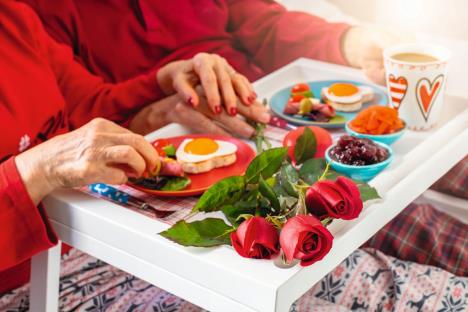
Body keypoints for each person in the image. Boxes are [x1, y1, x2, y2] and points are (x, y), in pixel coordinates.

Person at [0, 0, 269, 293]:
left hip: (95, 242)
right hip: (29, 283)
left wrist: (165, 81)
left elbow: (88, 104)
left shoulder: (13, 17)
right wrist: (38, 168)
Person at [20, 0, 391, 135]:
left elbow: (264, 24)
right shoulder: (39, 13)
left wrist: (350, 42)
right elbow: (82, 116)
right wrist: (154, 116)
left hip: (282, 109)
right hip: (191, 142)